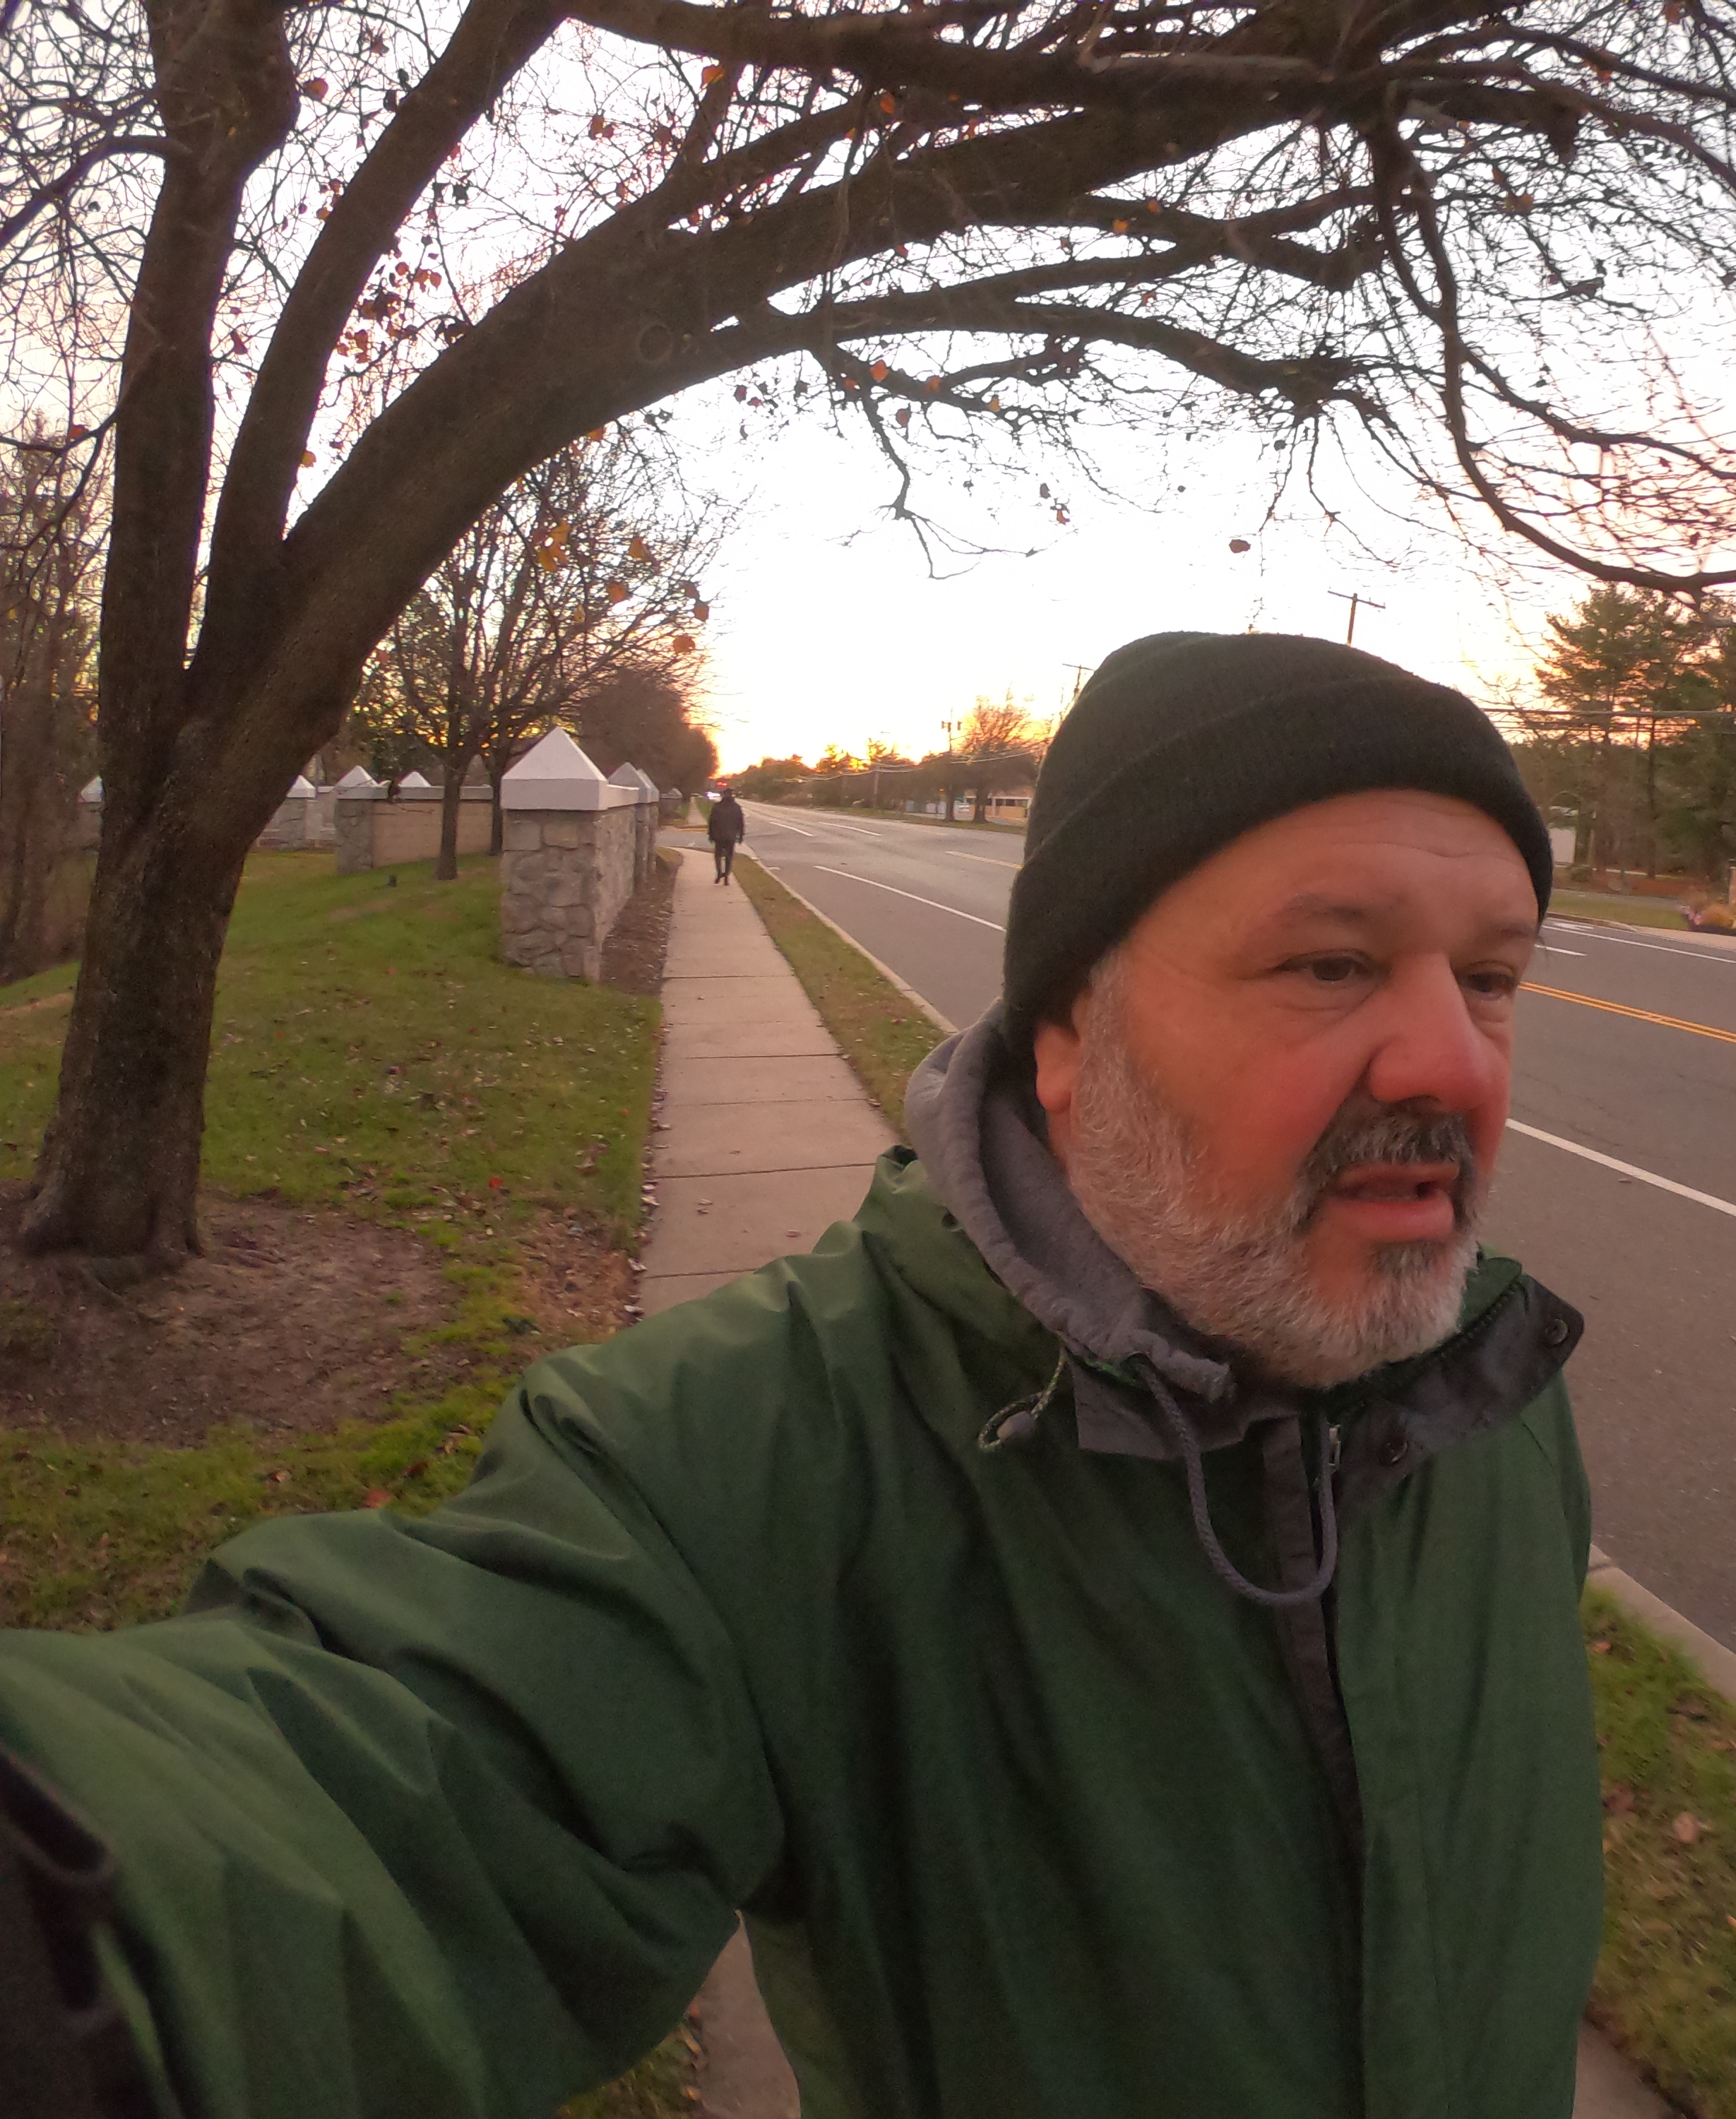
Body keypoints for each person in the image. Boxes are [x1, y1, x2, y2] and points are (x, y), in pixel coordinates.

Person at [0, 634, 1599, 2119]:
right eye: (1330, 965)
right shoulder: (769, 1452)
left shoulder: (1497, 1402)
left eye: (1492, 978)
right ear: (1068, 1034)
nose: (1454, 1060)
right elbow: (400, 1791)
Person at [707, 785, 746, 882]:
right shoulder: (737, 808)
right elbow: (740, 823)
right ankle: (726, 875)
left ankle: (719, 873)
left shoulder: (717, 807)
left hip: (719, 836)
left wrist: (710, 834)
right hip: (731, 836)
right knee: (729, 856)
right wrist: (741, 835)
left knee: (718, 855)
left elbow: (712, 822)